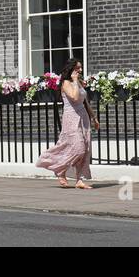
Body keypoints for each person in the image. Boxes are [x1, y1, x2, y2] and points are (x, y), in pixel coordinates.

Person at [36, 58, 100, 189]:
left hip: (83, 118)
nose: (80, 70)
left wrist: (94, 118)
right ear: (71, 69)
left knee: (85, 149)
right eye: (78, 68)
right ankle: (60, 169)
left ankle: (79, 180)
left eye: (81, 68)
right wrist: (75, 81)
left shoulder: (79, 83)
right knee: (78, 148)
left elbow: (85, 102)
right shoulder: (66, 83)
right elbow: (75, 97)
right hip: (71, 118)